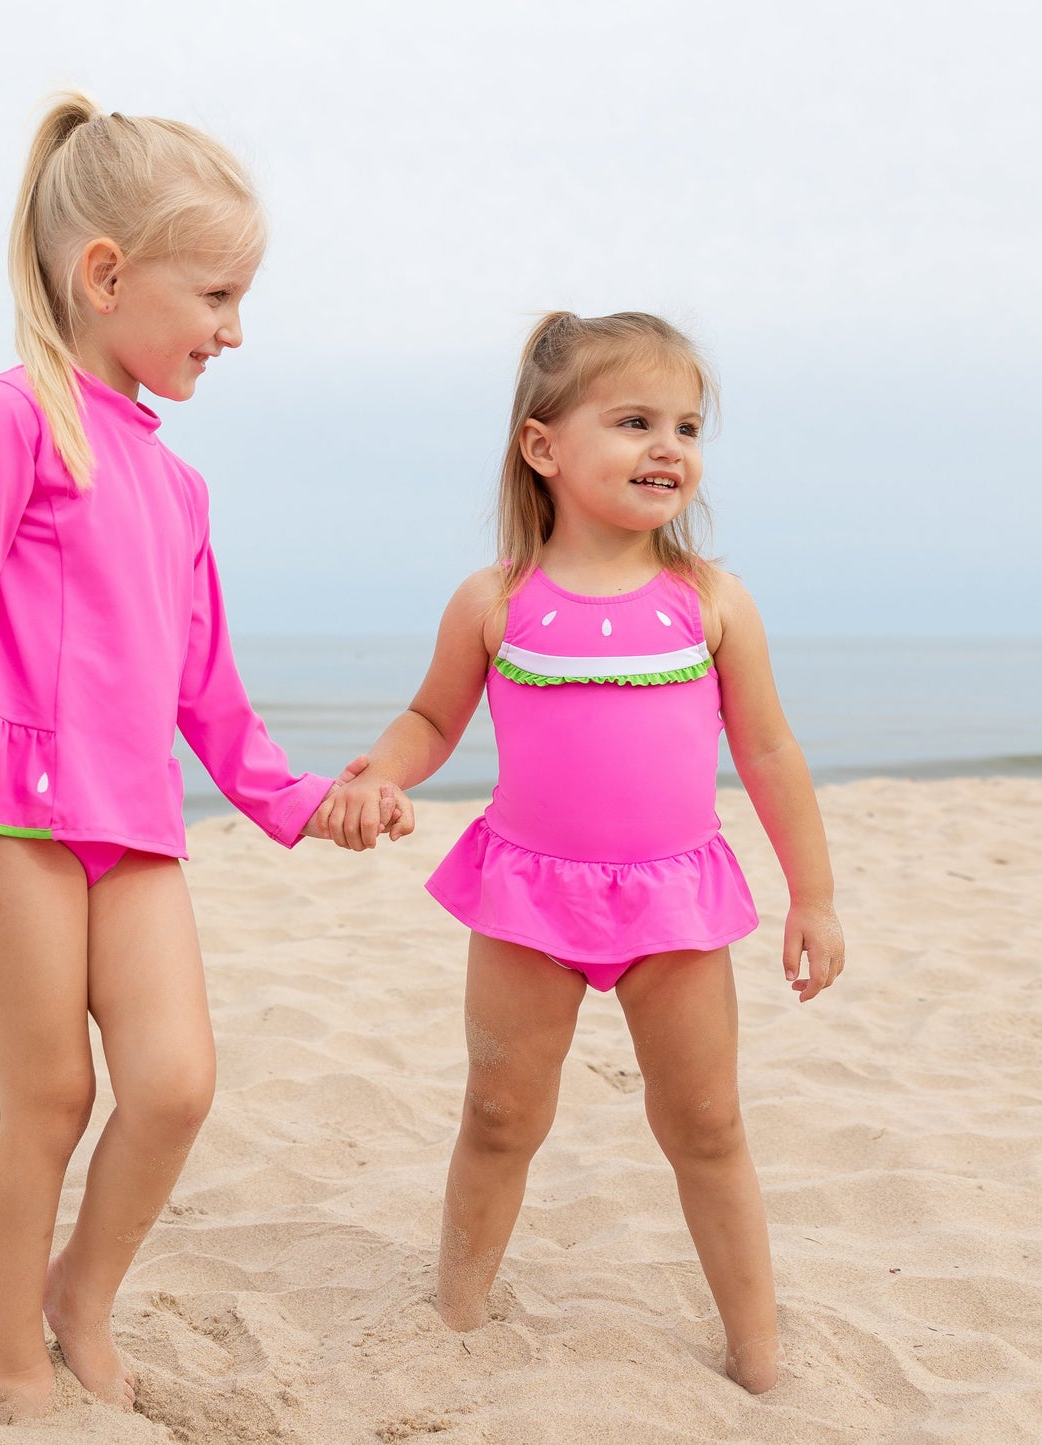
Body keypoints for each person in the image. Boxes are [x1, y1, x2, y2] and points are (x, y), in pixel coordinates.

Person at [0, 92, 393, 1424]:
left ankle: (77, 1299)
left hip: (136, 827)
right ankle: (5, 1353)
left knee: (173, 1084)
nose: (233, 329)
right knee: (48, 1096)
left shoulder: (179, 486)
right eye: (215, 293)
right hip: (9, 818)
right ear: (105, 275)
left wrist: (301, 801)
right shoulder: (3, 421)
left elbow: (204, 690)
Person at [325, 311, 845, 1393]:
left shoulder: (708, 600)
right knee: (501, 1110)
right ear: (542, 445)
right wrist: (378, 771)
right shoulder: (494, 600)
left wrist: (814, 895)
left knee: (704, 1120)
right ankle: (456, 1309)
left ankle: (756, 1354)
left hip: (675, 899)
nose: (669, 446)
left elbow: (765, 746)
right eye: (633, 420)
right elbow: (430, 720)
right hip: (525, 895)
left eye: (686, 425)